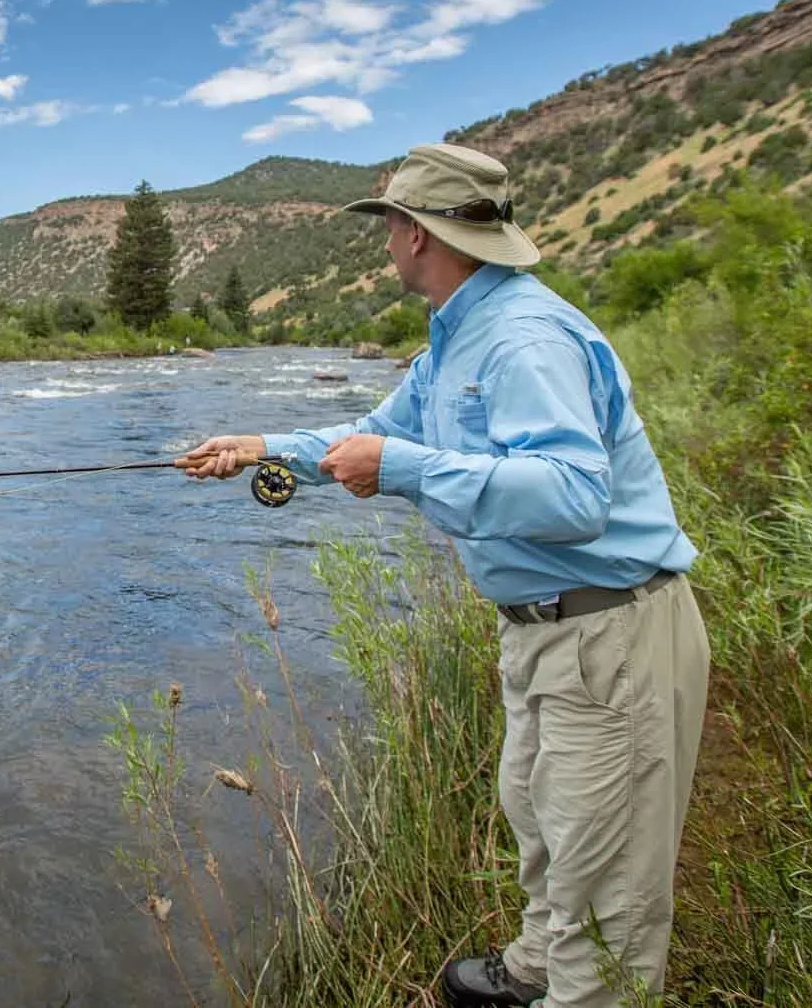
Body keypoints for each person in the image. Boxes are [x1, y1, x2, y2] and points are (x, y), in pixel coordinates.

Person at [176, 142, 709, 1008]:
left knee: (607, 882)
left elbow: (575, 494)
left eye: (390, 222)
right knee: (542, 818)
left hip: (612, 632)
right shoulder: (456, 337)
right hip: (549, 629)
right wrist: (258, 446)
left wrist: (402, 470)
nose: (386, 238)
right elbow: (371, 434)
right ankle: (535, 970)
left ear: (418, 232)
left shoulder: (524, 338)